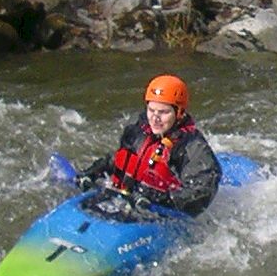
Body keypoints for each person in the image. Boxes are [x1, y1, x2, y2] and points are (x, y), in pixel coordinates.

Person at [75, 74, 221, 216]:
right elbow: (122, 161)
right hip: (130, 201)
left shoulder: (192, 147)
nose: (155, 118)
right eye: (151, 110)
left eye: (164, 112)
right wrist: (95, 171)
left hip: (162, 213)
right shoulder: (138, 131)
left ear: (180, 113)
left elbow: (200, 193)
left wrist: (160, 197)